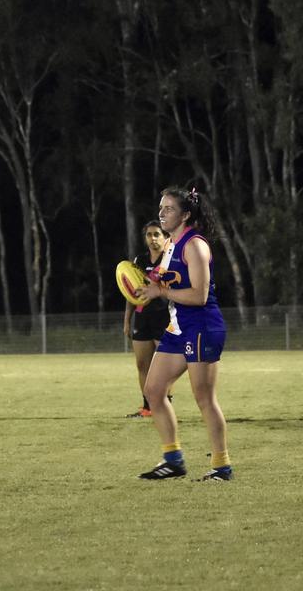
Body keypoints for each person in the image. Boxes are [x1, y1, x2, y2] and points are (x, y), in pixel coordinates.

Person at [133, 187, 232, 481]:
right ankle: (173, 460)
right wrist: (140, 283)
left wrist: (160, 291)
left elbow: (199, 295)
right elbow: (162, 282)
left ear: (186, 215)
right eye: (161, 208)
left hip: (202, 326)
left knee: (204, 399)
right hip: (178, 328)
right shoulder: (171, 246)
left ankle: (222, 466)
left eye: (169, 209)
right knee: (153, 391)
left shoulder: (194, 246)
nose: (162, 213)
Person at [121, 221, 172, 418]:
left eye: (156, 234)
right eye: (149, 235)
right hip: (142, 318)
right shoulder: (139, 260)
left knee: (165, 366)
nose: (153, 238)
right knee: (143, 365)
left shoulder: (169, 260)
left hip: (164, 318)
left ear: (165, 237)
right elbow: (130, 292)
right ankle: (148, 407)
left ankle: (165, 404)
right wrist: (127, 320)